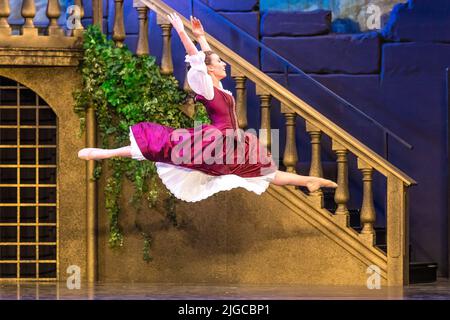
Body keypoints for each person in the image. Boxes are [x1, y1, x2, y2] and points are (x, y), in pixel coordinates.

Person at [78, 13, 337, 202]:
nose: (224, 65)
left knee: (263, 171)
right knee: (162, 144)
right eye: (220, 63)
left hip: (234, 141)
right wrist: (183, 34)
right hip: (218, 142)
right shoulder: (205, 86)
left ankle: (308, 181)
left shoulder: (219, 88)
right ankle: (105, 153)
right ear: (212, 69)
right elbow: (198, 62)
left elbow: (207, 59)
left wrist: (202, 37)